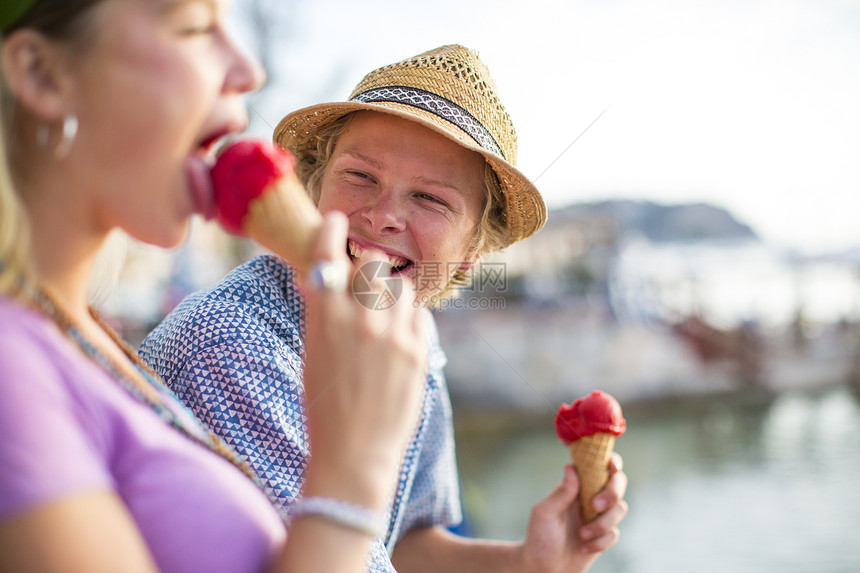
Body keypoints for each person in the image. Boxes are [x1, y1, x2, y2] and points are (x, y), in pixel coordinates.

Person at [141, 44, 629, 573]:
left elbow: (400, 542)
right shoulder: (234, 346)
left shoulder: (413, 333)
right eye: (360, 176)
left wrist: (528, 563)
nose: (383, 216)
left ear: (470, 256)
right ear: (314, 187)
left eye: (430, 199)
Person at [0, 1, 431, 572]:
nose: (249, 69)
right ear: (41, 74)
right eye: (196, 26)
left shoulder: (74, 332)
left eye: (429, 198)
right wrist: (352, 480)